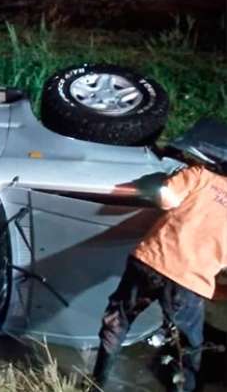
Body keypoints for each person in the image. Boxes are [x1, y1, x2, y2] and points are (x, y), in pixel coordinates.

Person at [92, 164, 227, 392]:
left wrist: (157, 181)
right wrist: (213, 291)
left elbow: (165, 198)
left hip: (149, 260)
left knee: (118, 320)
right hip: (188, 282)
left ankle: (96, 384)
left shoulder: (200, 175)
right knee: (188, 348)